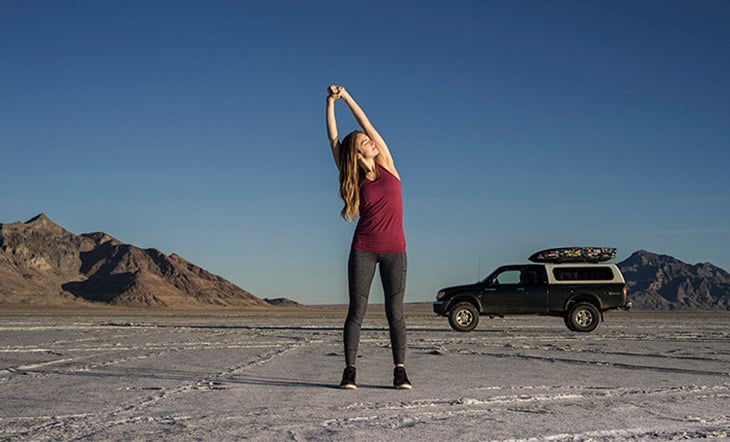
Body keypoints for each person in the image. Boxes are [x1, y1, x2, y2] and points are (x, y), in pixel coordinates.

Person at [325, 84, 411, 390]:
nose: (372, 142)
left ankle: (399, 371)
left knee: (395, 313)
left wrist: (346, 97)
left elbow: (367, 123)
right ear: (357, 151)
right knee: (356, 312)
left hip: (395, 251)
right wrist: (329, 104)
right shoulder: (354, 176)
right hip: (363, 248)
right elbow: (334, 139)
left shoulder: (386, 163)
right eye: (365, 142)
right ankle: (350, 371)